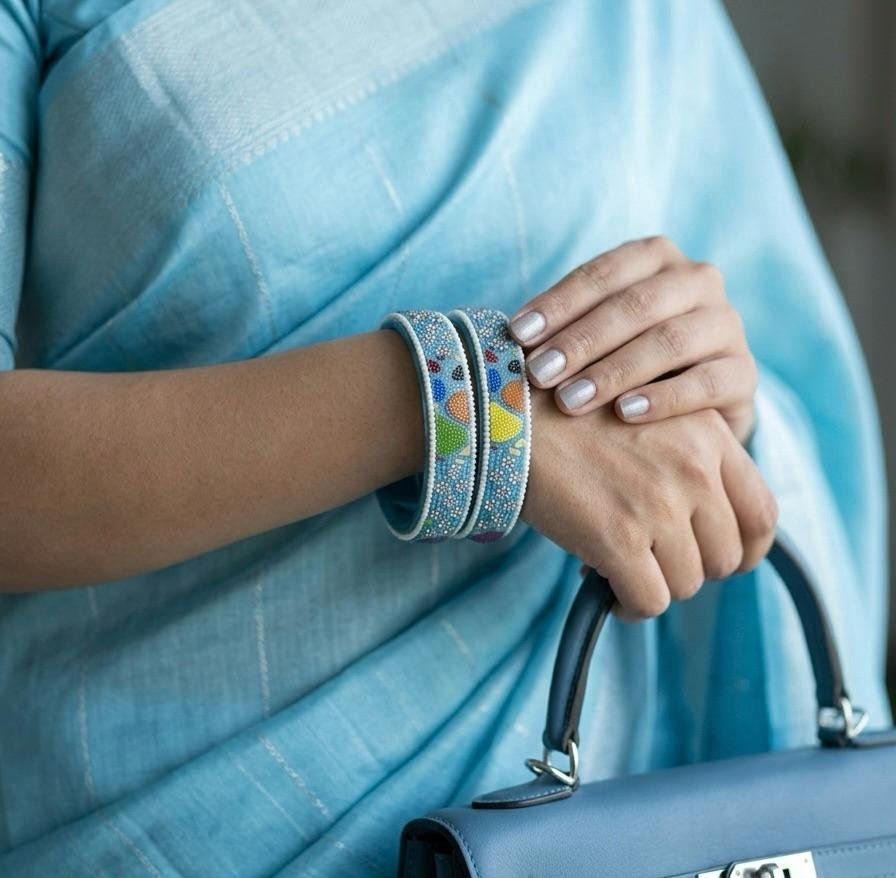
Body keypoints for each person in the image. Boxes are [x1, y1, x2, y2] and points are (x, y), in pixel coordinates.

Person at [0, 1, 888, 875]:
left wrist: (692, 395)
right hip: (169, 826)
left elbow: (771, 362)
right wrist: (468, 401)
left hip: (602, 835)